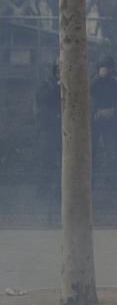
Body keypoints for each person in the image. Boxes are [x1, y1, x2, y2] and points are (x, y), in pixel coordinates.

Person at [90, 55, 117, 173]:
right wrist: (99, 77)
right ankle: (90, 182)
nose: (105, 69)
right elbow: (88, 89)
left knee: (112, 151)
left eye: (107, 67)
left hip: (111, 120)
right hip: (95, 119)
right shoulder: (95, 78)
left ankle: (113, 182)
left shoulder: (115, 79)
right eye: (102, 67)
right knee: (91, 151)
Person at [34, 63, 62, 210]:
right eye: (58, 70)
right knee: (46, 160)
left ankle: (60, 192)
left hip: (64, 129)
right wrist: (56, 86)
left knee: (63, 162)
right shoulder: (46, 84)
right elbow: (41, 98)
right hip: (48, 129)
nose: (60, 72)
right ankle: (43, 191)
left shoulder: (69, 84)